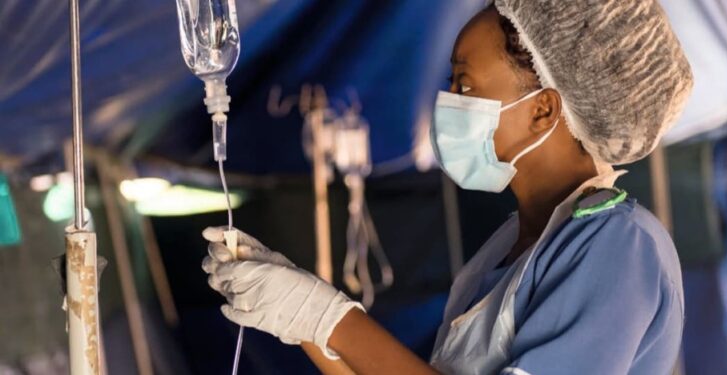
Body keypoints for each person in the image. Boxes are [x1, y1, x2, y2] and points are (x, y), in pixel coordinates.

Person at [201, 0, 694, 374]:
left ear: (543, 109)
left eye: (465, 84)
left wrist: (330, 318)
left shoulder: (619, 247)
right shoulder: (510, 250)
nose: (449, 101)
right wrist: (300, 319)